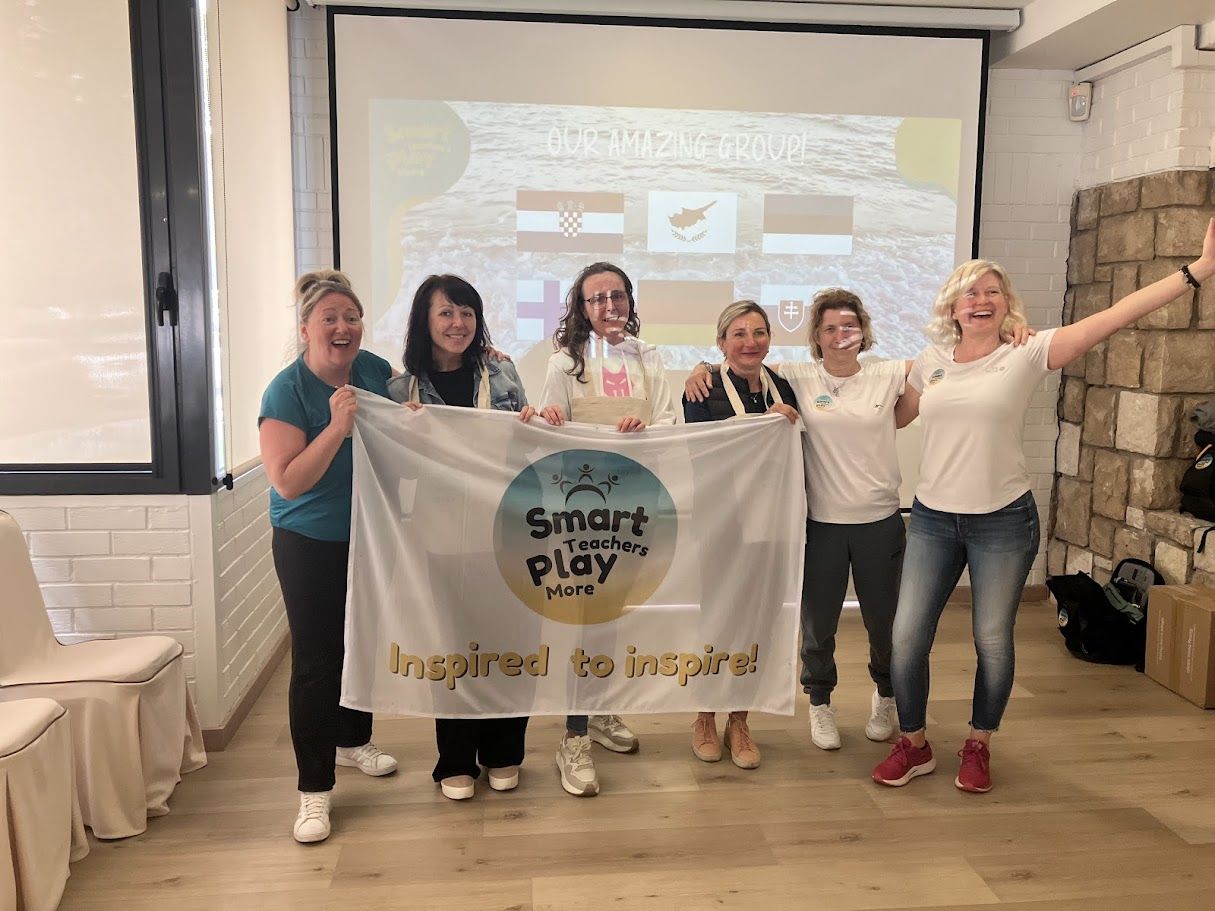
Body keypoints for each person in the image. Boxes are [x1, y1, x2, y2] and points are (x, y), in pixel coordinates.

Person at [874, 218, 1215, 794]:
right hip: (932, 518)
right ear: (952, 307)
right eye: (969, 292)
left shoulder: (1028, 351)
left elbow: (1115, 315)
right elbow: (889, 418)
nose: (980, 299)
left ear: (1006, 303)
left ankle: (979, 743)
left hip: (1003, 521)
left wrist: (1198, 271)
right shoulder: (928, 360)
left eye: (992, 290)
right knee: (906, 638)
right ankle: (914, 743)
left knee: (992, 639)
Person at [259, 270, 399, 844]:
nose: (343, 327)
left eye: (352, 317)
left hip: (370, 533)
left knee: (360, 643)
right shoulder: (286, 391)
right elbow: (288, 481)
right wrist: (338, 427)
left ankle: (352, 740)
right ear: (305, 329)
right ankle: (313, 790)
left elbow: (414, 410)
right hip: (309, 541)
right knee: (317, 662)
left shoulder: (374, 371)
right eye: (330, 319)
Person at [386, 274, 535, 801]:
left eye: (467, 313)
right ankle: (454, 758)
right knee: (452, 647)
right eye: (446, 313)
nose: (458, 323)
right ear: (424, 321)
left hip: (508, 531)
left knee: (510, 644)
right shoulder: (401, 392)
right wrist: (406, 436)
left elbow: (523, 448)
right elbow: (401, 473)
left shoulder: (502, 371)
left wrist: (535, 423)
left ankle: (504, 751)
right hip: (444, 535)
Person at [537, 261, 677, 798]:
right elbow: (551, 430)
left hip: (636, 504)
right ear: (582, 307)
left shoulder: (649, 357)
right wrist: (553, 421)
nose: (609, 306)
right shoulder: (563, 363)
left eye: (617, 296)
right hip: (581, 512)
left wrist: (646, 428)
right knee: (583, 621)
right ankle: (573, 737)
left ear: (629, 301)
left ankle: (599, 709)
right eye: (597, 298)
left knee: (611, 617)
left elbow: (668, 421)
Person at [683, 299, 799, 770]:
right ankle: (704, 715)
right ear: (721, 343)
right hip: (721, 524)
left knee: (758, 620)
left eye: (759, 332)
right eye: (739, 334)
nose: (751, 342)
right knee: (716, 619)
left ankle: (739, 718)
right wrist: (759, 425)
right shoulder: (703, 385)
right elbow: (702, 452)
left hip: (770, 524)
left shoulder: (782, 386)